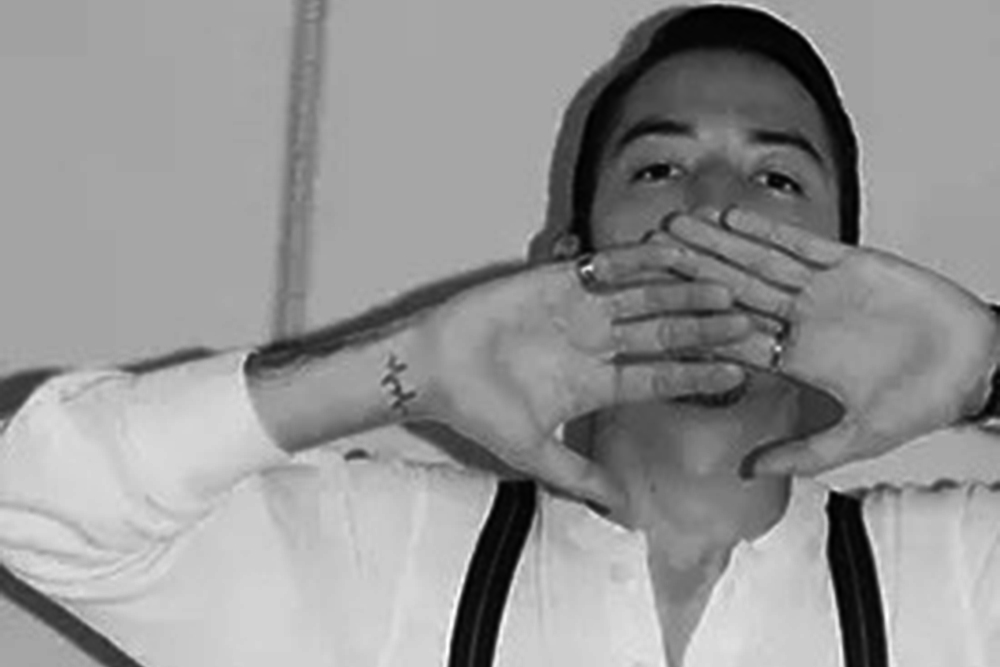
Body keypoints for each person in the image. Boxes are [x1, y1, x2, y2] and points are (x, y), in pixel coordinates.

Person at [1, 4, 999, 667]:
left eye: (777, 179)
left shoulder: (953, 581)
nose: (712, 210)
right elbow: (38, 501)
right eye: (657, 169)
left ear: (858, 281)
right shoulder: (385, 566)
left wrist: (991, 364)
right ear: (568, 256)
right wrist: (401, 366)